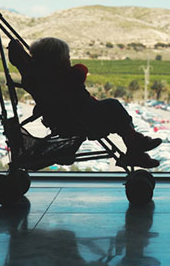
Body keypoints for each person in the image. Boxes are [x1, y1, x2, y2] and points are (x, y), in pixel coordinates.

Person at [29, 37, 161, 168]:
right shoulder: (63, 78)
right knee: (114, 106)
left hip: (75, 119)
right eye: (67, 58)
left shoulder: (44, 82)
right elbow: (81, 71)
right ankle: (135, 147)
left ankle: (135, 147)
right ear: (58, 61)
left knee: (119, 117)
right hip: (83, 120)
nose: (70, 61)